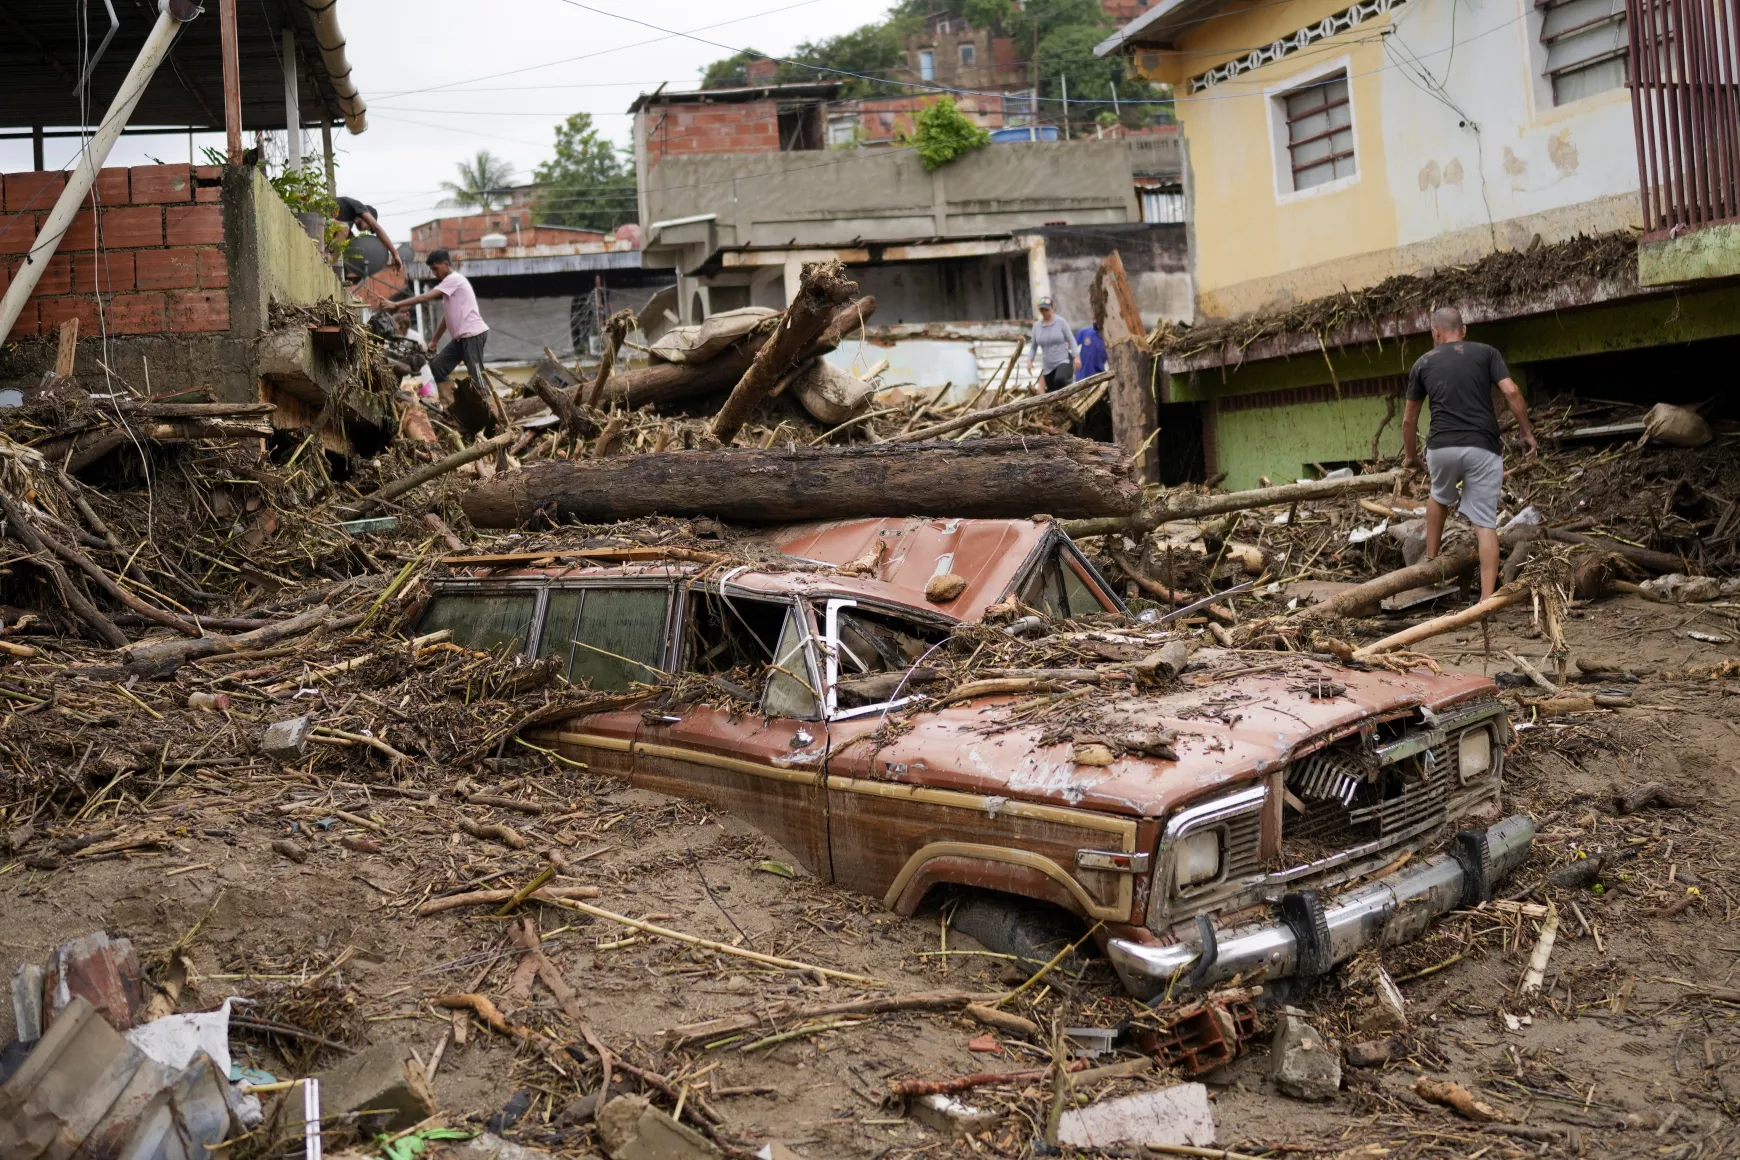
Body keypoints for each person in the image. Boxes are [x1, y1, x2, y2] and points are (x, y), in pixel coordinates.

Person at [1401, 306, 1538, 601]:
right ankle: (1487, 600)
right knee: (1485, 523)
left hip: (1442, 448)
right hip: (1483, 447)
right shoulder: (1487, 353)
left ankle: (1431, 559)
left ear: (1435, 333)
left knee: (1439, 495)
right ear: (1463, 331)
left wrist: (1411, 456)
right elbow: (1512, 392)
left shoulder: (1423, 362)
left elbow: (1409, 419)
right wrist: (1526, 432)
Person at [389, 250, 496, 434]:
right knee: (437, 367)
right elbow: (447, 319)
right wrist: (434, 340)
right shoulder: (449, 287)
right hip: (460, 339)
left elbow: (425, 297)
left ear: (446, 265)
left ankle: (494, 419)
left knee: (476, 376)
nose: (434, 273)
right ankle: (455, 411)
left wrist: (396, 305)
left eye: (436, 268)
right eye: (432, 269)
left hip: (473, 335)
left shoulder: (454, 279)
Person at [332, 196, 402, 271]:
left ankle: (329, 261)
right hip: (320, 217)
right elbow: (376, 228)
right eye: (369, 227)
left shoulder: (349, 219)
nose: (367, 230)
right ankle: (328, 260)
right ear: (368, 215)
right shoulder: (360, 206)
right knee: (344, 228)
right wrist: (395, 253)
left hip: (323, 224)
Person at [1026, 297, 1079, 392]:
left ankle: (1067, 395)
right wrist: (1030, 360)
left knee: (1059, 379)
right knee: (1052, 391)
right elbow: (1033, 346)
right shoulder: (1037, 327)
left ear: (1052, 309)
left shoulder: (1060, 322)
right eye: (1042, 309)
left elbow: (1071, 340)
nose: (1045, 312)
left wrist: (1076, 357)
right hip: (1048, 366)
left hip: (1063, 360)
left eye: (1047, 309)